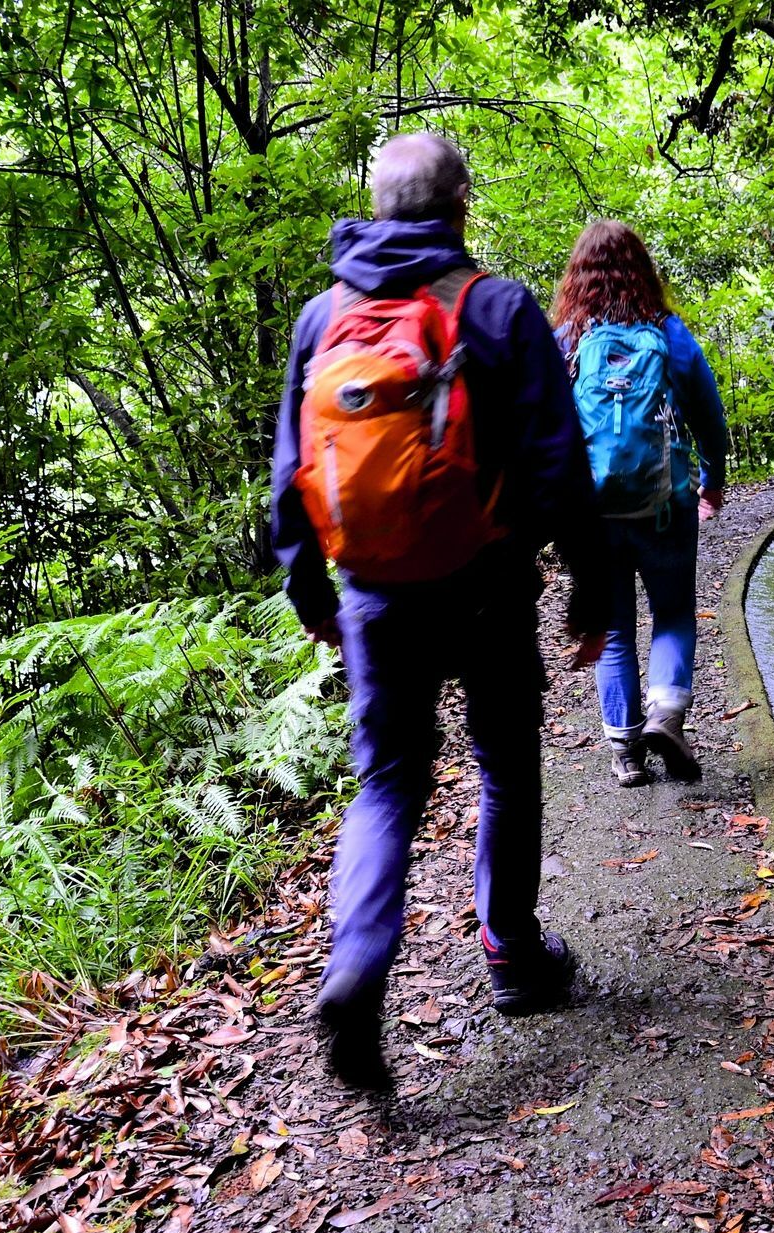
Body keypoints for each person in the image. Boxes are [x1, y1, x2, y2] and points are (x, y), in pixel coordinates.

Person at [270, 133, 611, 1091]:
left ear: (376, 208)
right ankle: (512, 957)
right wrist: (588, 584)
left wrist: (311, 594)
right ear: (462, 203)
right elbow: (558, 467)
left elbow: (288, 478)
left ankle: (355, 970)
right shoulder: (495, 309)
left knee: (385, 785)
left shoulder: (320, 320)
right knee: (505, 762)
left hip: (373, 594)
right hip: (487, 583)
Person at [551, 221, 729, 788]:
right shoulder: (669, 334)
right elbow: (709, 418)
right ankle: (666, 716)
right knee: (673, 613)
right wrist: (711, 479)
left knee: (616, 627)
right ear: (643, 273)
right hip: (665, 506)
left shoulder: (569, 341)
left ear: (578, 277)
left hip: (593, 513)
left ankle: (626, 751)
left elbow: (547, 430)